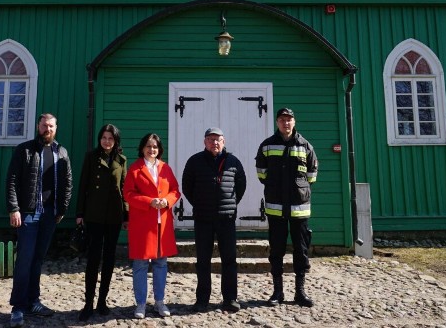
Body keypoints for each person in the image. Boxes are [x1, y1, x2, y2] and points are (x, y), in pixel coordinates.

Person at [5, 113, 73, 327]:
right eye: (44, 125)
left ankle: (33, 301)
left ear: (56, 128)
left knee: (38, 260)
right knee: (24, 260)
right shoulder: (24, 150)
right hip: (28, 214)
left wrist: (61, 208)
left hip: (49, 215)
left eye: (51, 126)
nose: (47, 129)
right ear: (38, 126)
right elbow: (12, 180)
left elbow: (68, 182)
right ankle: (18, 307)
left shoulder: (61, 152)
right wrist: (14, 208)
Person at [255, 107, 318, 308]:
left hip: (300, 209)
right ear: (277, 122)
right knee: (277, 251)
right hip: (275, 209)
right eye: (282, 120)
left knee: (301, 251)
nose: (286, 123)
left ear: (294, 122)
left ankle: (300, 292)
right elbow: (261, 174)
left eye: (289, 119)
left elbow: (311, 176)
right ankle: (277, 292)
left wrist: (298, 190)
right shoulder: (267, 145)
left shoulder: (305, 146)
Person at [181, 127, 247, 313]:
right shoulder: (195, 161)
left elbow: (241, 185)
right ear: (205, 142)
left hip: (226, 219)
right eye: (210, 139)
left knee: (229, 260)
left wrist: (230, 204)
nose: (214, 143)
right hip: (203, 218)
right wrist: (200, 203)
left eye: (218, 140)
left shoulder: (233, 161)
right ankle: (202, 300)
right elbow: (187, 186)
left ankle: (230, 299)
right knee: (203, 260)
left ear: (223, 142)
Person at [123, 133, 180, 319]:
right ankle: (140, 304)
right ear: (142, 148)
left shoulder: (166, 168)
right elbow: (128, 194)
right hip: (142, 224)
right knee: (140, 264)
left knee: (161, 263)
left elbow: (175, 191)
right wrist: (149, 201)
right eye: (148, 146)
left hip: (161, 223)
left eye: (155, 147)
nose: (152, 149)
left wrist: (167, 201)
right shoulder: (135, 169)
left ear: (159, 149)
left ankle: (160, 301)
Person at [75, 123, 129, 321]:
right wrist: (79, 212)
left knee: (109, 259)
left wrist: (126, 215)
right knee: (94, 258)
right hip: (94, 215)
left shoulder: (121, 160)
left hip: (114, 216)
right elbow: (83, 186)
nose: (107, 141)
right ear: (100, 139)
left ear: (116, 141)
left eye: (111, 138)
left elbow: (124, 190)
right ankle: (88, 302)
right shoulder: (91, 157)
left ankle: (102, 301)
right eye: (104, 138)